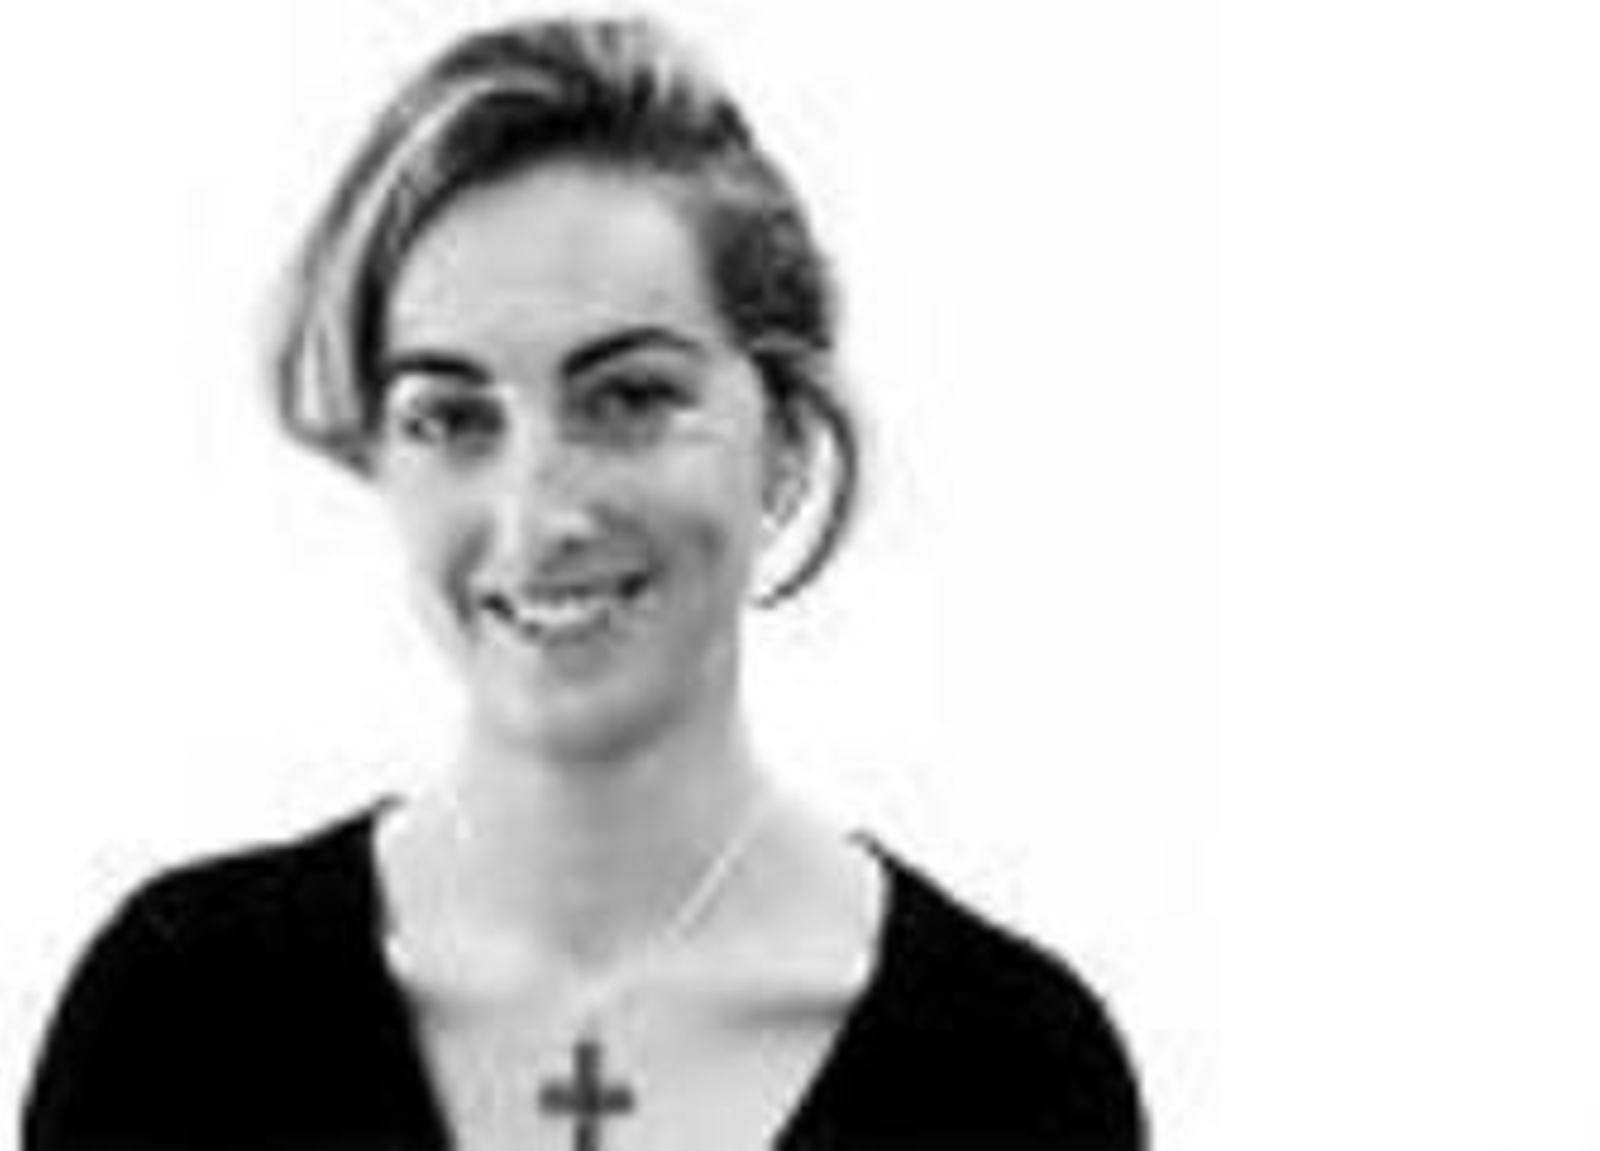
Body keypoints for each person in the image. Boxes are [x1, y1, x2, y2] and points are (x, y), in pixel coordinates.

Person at [24, 14, 1145, 1150]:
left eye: (629, 398)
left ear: (786, 442)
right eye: (450, 416)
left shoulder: (1016, 1070)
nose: (537, 514)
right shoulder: (175, 1018)